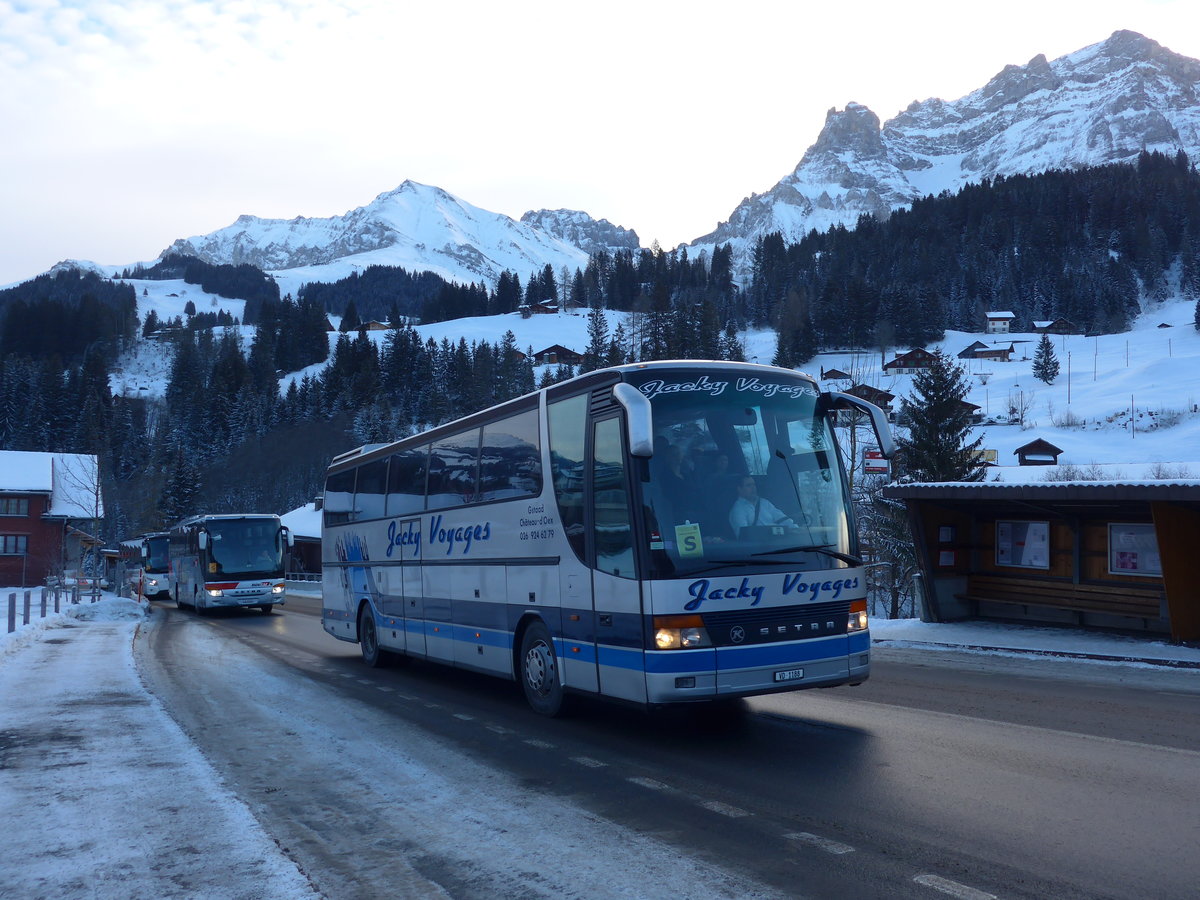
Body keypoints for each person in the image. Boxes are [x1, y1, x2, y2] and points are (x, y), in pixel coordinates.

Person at [728, 476, 796, 537]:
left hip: (781, 542)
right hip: (761, 548)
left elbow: (782, 518)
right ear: (739, 489)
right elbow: (744, 536)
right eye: (748, 485)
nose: (753, 488)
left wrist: (797, 529)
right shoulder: (738, 510)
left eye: (754, 484)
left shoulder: (765, 503)